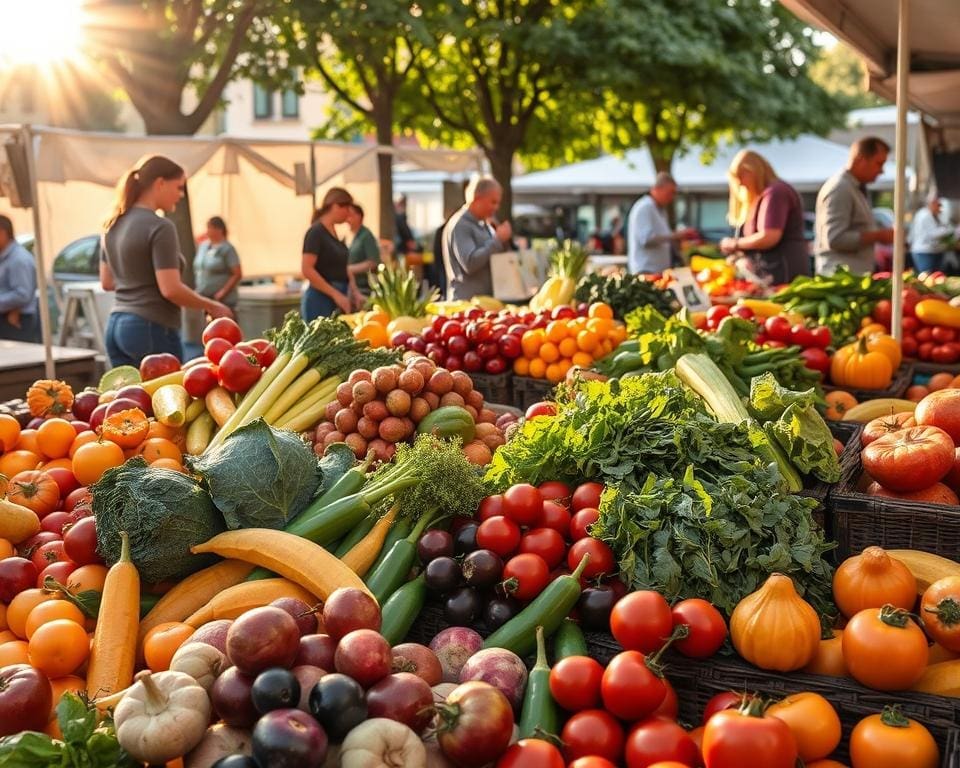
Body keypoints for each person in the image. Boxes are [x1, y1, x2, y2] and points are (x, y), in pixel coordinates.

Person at [100, 156, 231, 367]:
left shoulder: (112, 225)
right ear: (160, 183)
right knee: (165, 398)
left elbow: (107, 282)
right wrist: (212, 306)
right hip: (150, 328)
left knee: (124, 399)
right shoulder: (160, 226)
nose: (180, 195)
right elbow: (170, 290)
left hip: (116, 326)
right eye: (178, 187)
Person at [719, 150, 809, 285]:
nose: (740, 183)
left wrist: (735, 244)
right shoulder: (763, 195)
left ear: (754, 171)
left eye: (741, 176)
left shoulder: (776, 192)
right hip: (772, 272)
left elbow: (770, 236)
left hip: (783, 273)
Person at [814, 136, 895, 275]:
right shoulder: (840, 188)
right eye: (879, 163)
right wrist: (879, 236)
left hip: (851, 277)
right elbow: (835, 239)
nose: (882, 171)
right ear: (860, 160)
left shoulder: (855, 187)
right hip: (840, 279)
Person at [441, 178, 512, 300]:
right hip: (465, 306)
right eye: (493, 202)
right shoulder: (460, 225)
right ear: (477, 198)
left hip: (483, 303)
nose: (496, 208)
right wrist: (497, 240)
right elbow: (470, 263)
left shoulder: (483, 224)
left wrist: (504, 241)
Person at [626, 173, 695, 274]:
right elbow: (646, 239)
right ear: (657, 189)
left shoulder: (659, 209)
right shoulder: (645, 207)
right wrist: (675, 236)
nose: (672, 197)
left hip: (657, 271)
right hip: (646, 270)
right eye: (670, 193)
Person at [301, 187, 353, 320]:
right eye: (347, 209)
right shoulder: (315, 232)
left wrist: (354, 291)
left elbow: (343, 267)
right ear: (335, 206)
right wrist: (336, 294)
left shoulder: (334, 233)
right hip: (320, 299)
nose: (348, 215)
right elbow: (307, 269)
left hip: (336, 296)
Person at [0, 215, 40, 343]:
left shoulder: (18, 259)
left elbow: (22, 294)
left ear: (3, 232)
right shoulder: (6, 257)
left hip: (16, 322)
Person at [194, 216, 242, 310]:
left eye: (210, 228)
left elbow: (237, 273)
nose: (207, 231)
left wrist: (222, 292)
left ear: (219, 230)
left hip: (222, 300)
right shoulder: (203, 246)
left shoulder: (228, 249)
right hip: (204, 297)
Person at [344, 203, 380, 308]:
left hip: (364, 289)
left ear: (359, 216)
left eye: (350, 216)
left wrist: (350, 269)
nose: (347, 220)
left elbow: (373, 262)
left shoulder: (366, 236)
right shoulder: (353, 237)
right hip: (353, 287)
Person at [910, 192, 955, 274]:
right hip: (925, 252)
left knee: (936, 278)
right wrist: (950, 230)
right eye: (939, 205)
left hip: (935, 251)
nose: (940, 208)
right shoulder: (925, 215)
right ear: (932, 204)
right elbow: (932, 234)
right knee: (927, 278)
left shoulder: (934, 215)